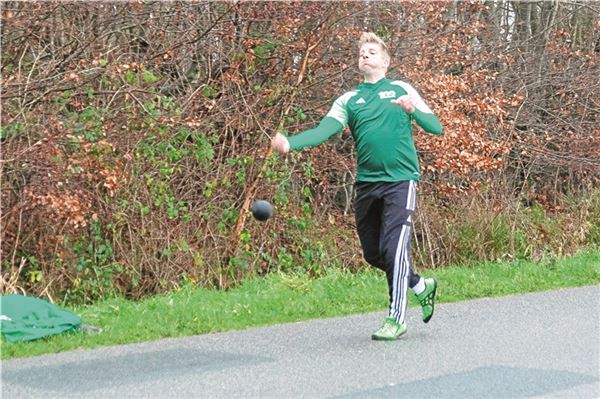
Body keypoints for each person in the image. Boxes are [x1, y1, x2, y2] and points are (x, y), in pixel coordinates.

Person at [271, 32, 443, 340]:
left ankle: (397, 318)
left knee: (394, 250)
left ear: (385, 62)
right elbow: (324, 130)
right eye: (362, 52)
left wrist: (412, 110)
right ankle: (419, 285)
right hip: (366, 185)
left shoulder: (402, 89)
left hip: (400, 182)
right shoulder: (349, 100)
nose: (365, 55)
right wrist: (290, 143)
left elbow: (437, 128)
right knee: (375, 255)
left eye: (372, 52)